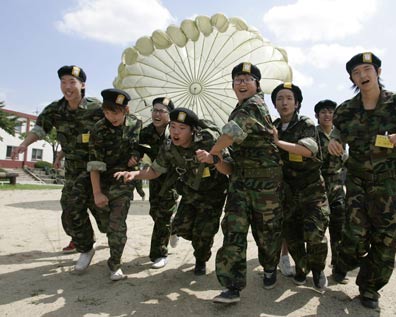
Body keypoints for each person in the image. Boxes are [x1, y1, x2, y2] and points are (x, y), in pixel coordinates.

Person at [328, 52, 396, 309]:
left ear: (378, 72)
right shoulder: (346, 110)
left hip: (390, 183)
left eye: (366, 70)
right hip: (358, 182)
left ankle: (370, 288)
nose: (362, 76)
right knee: (354, 237)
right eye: (356, 73)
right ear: (352, 78)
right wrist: (334, 143)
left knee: (386, 238)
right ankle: (343, 262)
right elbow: (336, 135)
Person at [11, 65, 108, 272]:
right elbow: (40, 129)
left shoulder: (96, 108)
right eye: (63, 82)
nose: (67, 87)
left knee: (105, 215)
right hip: (74, 170)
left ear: (82, 85)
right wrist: (24, 145)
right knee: (71, 207)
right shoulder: (55, 109)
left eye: (72, 82)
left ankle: (109, 233)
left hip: (98, 169)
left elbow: (114, 128)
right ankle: (85, 247)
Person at [115, 107, 229, 276]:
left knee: (204, 234)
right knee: (181, 227)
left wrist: (213, 159)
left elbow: (228, 169)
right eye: (173, 126)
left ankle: (200, 259)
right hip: (190, 191)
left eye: (182, 129)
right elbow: (155, 171)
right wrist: (134, 174)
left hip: (214, 193)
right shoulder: (168, 147)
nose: (175, 132)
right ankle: (184, 231)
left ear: (193, 131)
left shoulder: (208, 140)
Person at [206, 62, 283, 304]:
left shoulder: (254, 105)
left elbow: (231, 133)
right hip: (240, 182)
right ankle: (231, 287)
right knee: (233, 231)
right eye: (237, 79)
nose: (241, 83)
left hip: (265, 185)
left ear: (257, 85)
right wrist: (218, 159)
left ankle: (270, 268)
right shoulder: (239, 108)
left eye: (247, 79)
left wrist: (212, 152)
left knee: (267, 232)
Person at [271, 82, 330, 292]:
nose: (284, 102)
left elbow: (307, 150)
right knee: (293, 236)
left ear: (297, 103)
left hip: (312, 190)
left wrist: (278, 143)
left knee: (315, 234)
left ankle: (318, 269)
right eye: (279, 98)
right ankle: (301, 269)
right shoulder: (274, 126)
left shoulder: (305, 124)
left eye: (288, 98)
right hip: (288, 192)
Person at [87, 88, 142, 281]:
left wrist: (136, 157)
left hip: (124, 181)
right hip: (102, 180)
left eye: (115, 112)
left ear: (125, 110)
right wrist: (97, 193)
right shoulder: (98, 129)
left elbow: (140, 147)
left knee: (117, 224)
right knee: (105, 224)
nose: (111, 117)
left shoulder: (136, 124)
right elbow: (94, 165)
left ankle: (115, 264)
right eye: (107, 112)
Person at [138, 97, 179, 269]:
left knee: (162, 216)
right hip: (154, 177)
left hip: (173, 179)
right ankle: (173, 228)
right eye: (155, 110)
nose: (157, 114)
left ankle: (159, 254)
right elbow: (139, 150)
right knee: (154, 212)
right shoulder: (146, 132)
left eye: (162, 111)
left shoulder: (176, 131)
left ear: (170, 115)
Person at [314, 99, 346, 267]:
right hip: (318, 186)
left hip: (338, 186)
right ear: (317, 116)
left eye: (331, 112)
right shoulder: (313, 134)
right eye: (323, 112)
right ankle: (317, 266)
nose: (327, 115)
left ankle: (338, 263)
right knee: (318, 227)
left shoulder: (340, 135)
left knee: (339, 225)